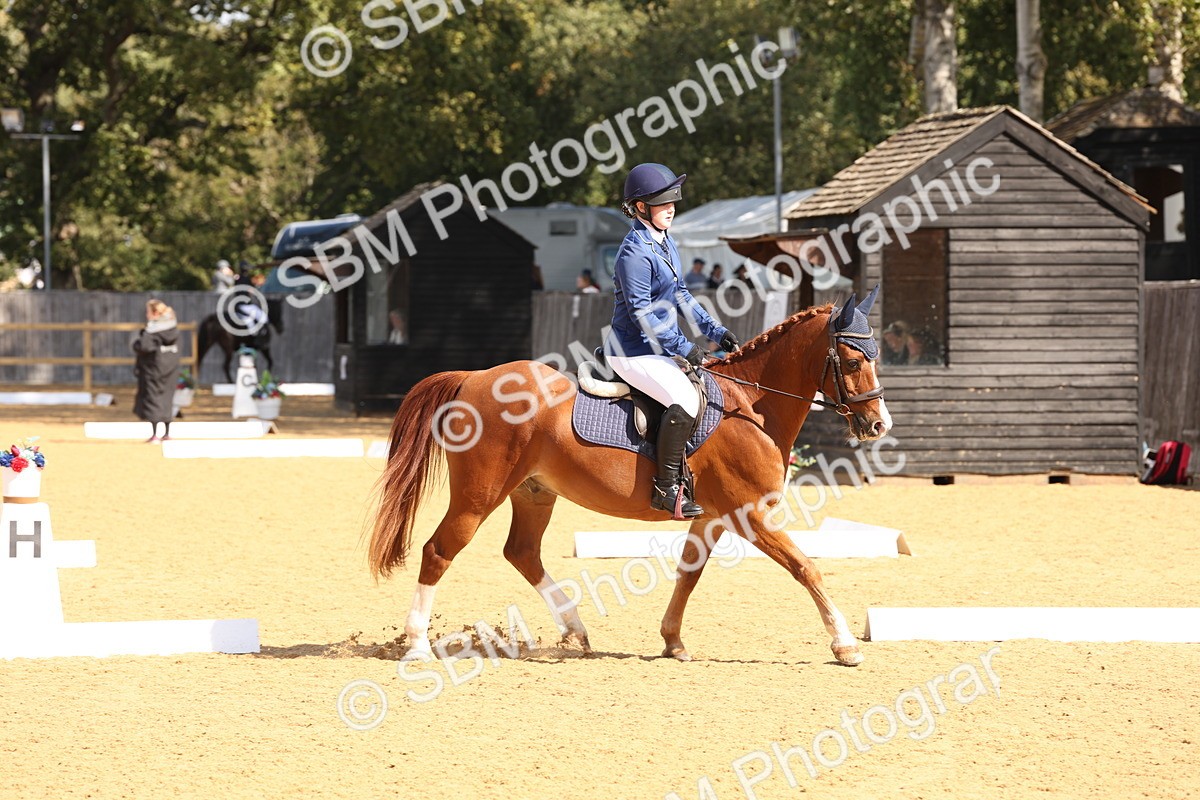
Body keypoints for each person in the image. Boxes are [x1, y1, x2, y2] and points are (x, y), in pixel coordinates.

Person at [606, 163, 740, 519]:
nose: (671, 208)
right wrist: (685, 348)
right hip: (632, 352)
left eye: (672, 202)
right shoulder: (634, 252)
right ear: (639, 208)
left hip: (656, 351)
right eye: (662, 202)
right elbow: (642, 314)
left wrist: (716, 331)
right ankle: (666, 489)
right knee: (684, 398)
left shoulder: (665, 243)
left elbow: (681, 296)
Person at [132, 299, 181, 443]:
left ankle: (154, 435)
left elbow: (144, 347)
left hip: (153, 371)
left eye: (147, 312)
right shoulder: (174, 329)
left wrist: (136, 343)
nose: (146, 315)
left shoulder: (152, 331)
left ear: (154, 313)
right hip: (171, 370)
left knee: (153, 400)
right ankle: (166, 433)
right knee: (167, 400)